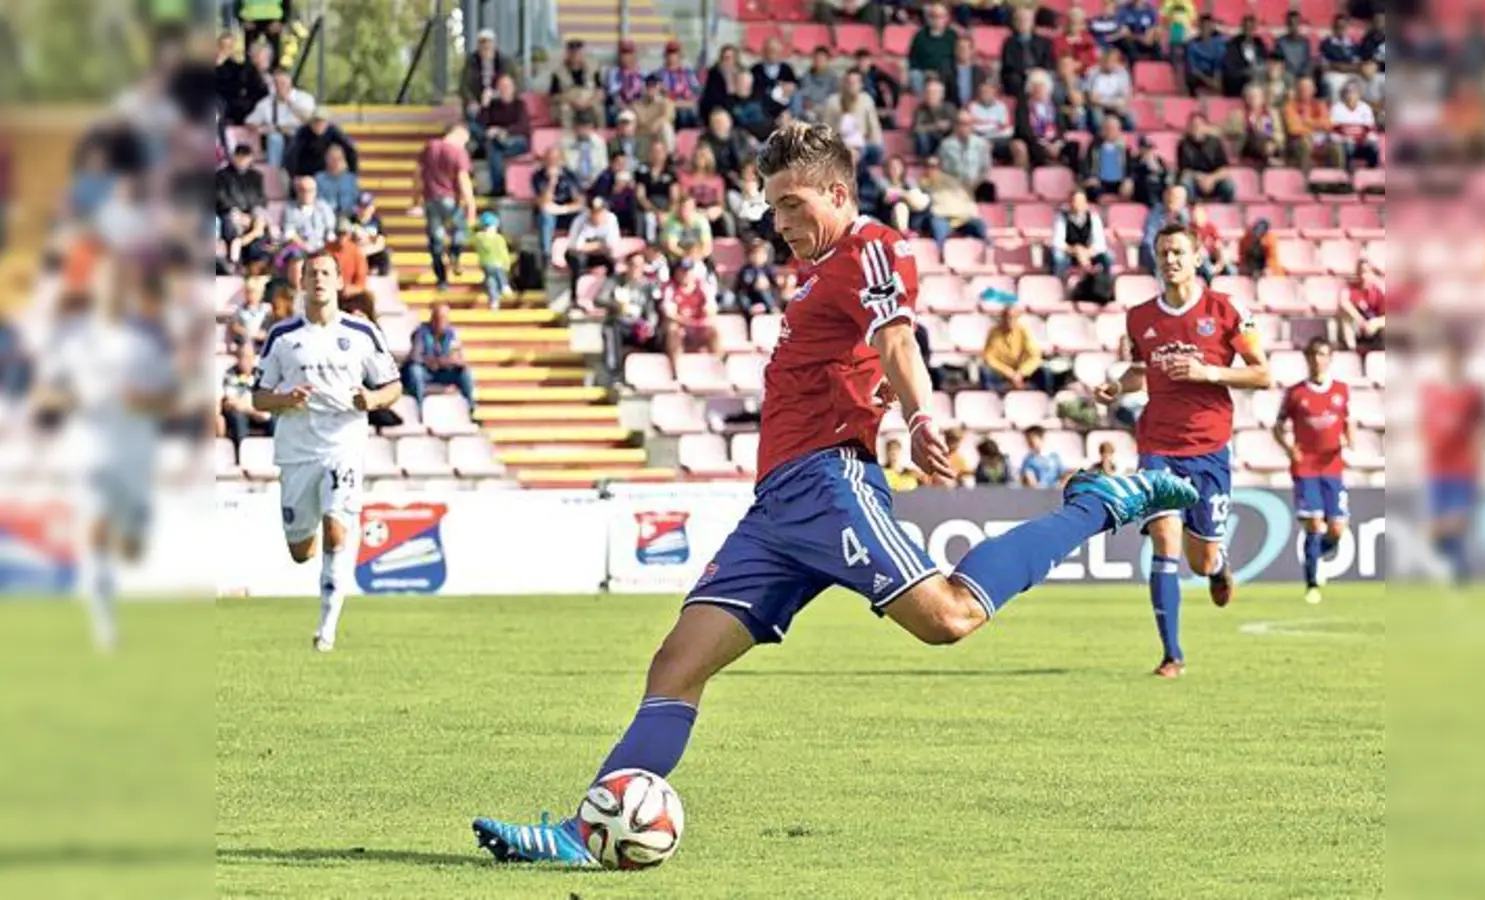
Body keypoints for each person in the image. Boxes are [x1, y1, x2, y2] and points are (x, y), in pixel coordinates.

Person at [470, 122, 1199, 863]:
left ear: (838, 193)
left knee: (947, 618)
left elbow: (897, 339)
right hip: (777, 507)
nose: (779, 223)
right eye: (772, 208)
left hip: (827, 481)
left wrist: (918, 415)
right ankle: (581, 832)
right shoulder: (817, 271)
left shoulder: (871, 250)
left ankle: (1098, 503)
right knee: (675, 664)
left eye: (791, 204)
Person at [1095, 223, 1272, 677]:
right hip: (1157, 444)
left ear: (1197, 258)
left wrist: (1207, 373)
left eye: (1177, 252)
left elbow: (1262, 374)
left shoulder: (1227, 309)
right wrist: (1118, 386)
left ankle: (1218, 566)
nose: (1170, 260)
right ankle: (1172, 655)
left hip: (1209, 447)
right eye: (1162, 252)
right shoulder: (1139, 317)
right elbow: (1142, 371)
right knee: (1164, 541)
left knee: (1202, 558)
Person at [252, 250, 401, 652]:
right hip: (298, 451)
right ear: (301, 283)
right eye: (311, 273)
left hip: (344, 446)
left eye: (325, 273)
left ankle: (326, 631)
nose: (318, 279)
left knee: (338, 531)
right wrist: (285, 398)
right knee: (301, 550)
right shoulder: (283, 337)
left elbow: (393, 386)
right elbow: (258, 399)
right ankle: (310, 529)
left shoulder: (361, 333)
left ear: (338, 282)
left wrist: (371, 400)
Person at [31, 276, 178, 651]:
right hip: (90, 448)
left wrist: (139, 399)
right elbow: (46, 392)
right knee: (95, 530)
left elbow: (168, 398)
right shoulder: (74, 344)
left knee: (131, 545)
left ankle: (136, 526)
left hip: (134, 450)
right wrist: (69, 399)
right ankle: (105, 628)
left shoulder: (144, 346)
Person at [1273, 337, 1354, 606]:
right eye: (1313, 354)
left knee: (1337, 529)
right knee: (1315, 524)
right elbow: (1278, 426)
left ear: (1330, 358)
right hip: (1305, 467)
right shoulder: (1296, 393)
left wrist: (1349, 441)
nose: (1317, 359)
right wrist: (1289, 449)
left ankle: (1316, 556)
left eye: (1322, 354)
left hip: (1333, 466)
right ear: (1307, 358)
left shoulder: (1342, 390)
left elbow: (1348, 421)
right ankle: (1311, 584)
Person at [1420, 338, 1485, 587]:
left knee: (1459, 522)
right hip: (1436, 468)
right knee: (1443, 540)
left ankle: (1457, 575)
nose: (1451, 362)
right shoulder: (1430, 391)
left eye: (1455, 357)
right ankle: (1458, 576)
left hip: (1463, 467)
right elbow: (1423, 424)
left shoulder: (1473, 394)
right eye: (1447, 357)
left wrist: (1481, 452)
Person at [409, 122, 476, 287]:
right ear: (460, 134)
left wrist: (416, 200)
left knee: (436, 239)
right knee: (460, 229)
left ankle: (441, 279)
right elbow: (463, 180)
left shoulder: (430, 147)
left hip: (431, 199)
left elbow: (418, 175)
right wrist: (471, 206)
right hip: (450, 199)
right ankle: (454, 255)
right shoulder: (458, 152)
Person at [404, 302, 478, 415]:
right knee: (415, 371)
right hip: (425, 373)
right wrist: (437, 361)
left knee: (465, 373)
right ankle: (418, 410)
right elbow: (415, 358)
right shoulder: (421, 333)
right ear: (432, 318)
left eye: (444, 318)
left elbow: (460, 359)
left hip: (443, 373)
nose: (441, 321)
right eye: (439, 318)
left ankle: (471, 408)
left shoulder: (452, 334)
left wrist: (454, 362)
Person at [477, 72, 532, 197]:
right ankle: (500, 188)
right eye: (501, 87)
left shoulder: (520, 105)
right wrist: (485, 105)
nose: (504, 90)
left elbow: (522, 126)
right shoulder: (494, 106)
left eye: (507, 86)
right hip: (499, 143)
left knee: (497, 144)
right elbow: (482, 124)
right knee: (493, 148)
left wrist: (503, 131)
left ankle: (498, 188)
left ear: (513, 88)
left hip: (518, 142)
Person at [981, 305, 1049, 392]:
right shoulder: (993, 332)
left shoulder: (1024, 331)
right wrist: (1009, 372)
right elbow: (989, 357)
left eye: (1013, 318)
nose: (1009, 321)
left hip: (1021, 370)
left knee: (1044, 372)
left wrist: (1021, 372)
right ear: (1002, 318)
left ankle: (1044, 396)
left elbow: (1035, 356)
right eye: (1006, 317)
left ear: (1017, 318)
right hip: (1002, 371)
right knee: (985, 371)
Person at [1340, 258, 1385, 351]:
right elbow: (1343, 303)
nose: (1364, 276)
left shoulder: (1378, 291)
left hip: (1374, 328)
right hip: (1357, 327)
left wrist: (1375, 323)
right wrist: (1361, 321)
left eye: (1367, 272)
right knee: (1345, 317)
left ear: (1373, 274)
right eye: (1361, 272)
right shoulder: (1350, 288)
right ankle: (1352, 351)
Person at [472, 211, 512, 310]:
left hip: (490, 264)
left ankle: (494, 300)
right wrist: (506, 264)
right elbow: (503, 252)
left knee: (491, 282)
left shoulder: (486, 237)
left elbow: (503, 252)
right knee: (497, 273)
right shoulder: (483, 238)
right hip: (492, 264)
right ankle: (504, 285)